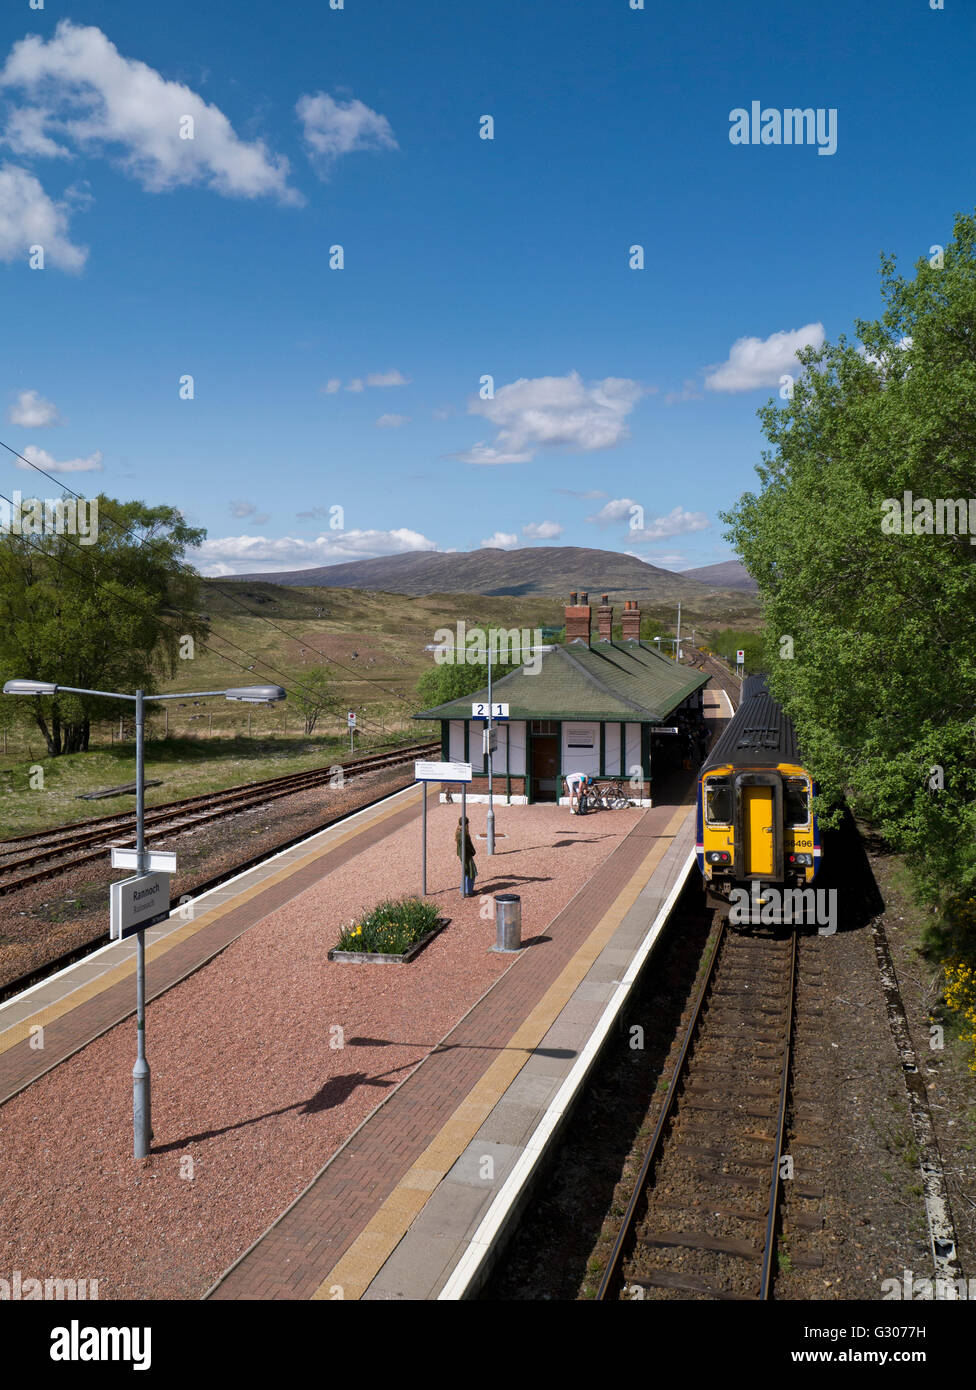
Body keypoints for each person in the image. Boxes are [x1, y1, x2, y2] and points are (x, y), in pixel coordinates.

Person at [456, 816, 477, 896]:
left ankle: (463, 889)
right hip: (466, 855)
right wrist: (472, 851)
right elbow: (466, 845)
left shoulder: (459, 831)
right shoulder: (463, 833)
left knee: (467, 871)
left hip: (463, 855)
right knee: (470, 872)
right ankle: (468, 891)